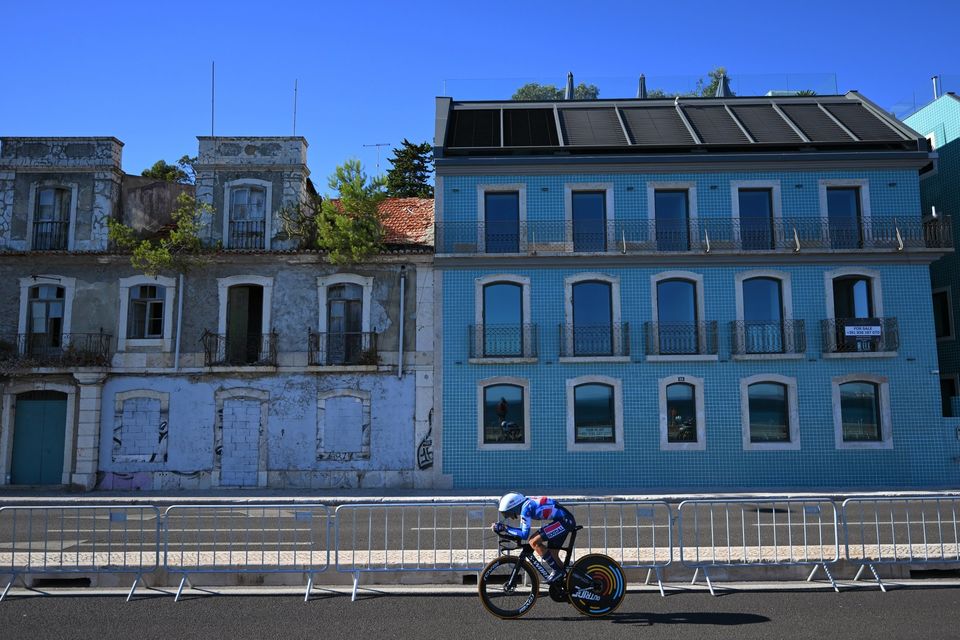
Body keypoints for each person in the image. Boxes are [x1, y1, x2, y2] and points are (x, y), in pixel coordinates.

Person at [491, 492, 576, 584]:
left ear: (513, 507)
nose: (509, 516)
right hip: (564, 520)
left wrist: (505, 528)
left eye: (508, 513)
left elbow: (524, 534)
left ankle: (557, 571)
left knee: (533, 542)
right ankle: (568, 581)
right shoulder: (526, 503)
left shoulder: (525, 509)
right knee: (552, 554)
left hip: (565, 521)